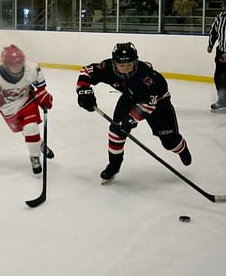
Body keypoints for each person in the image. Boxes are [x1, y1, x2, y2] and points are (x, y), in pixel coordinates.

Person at [76, 42, 192, 184]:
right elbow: (87, 71)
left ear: (135, 62)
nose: (125, 69)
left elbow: (149, 104)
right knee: (116, 130)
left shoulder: (148, 78)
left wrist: (131, 119)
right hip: (130, 98)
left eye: (129, 64)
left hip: (159, 104)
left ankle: (181, 147)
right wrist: (83, 91)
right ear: (114, 63)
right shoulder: (108, 68)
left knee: (169, 142)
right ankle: (114, 165)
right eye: (121, 65)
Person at [0, 45, 54, 175]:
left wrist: (44, 96)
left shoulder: (32, 69)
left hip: (27, 101)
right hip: (7, 108)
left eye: (20, 62)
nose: (18, 66)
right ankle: (40, 144)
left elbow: (40, 87)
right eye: (14, 64)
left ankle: (34, 157)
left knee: (31, 127)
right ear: (6, 64)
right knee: (23, 130)